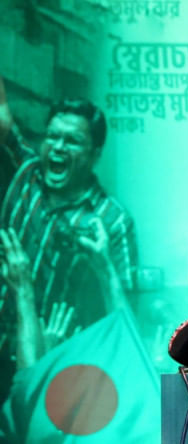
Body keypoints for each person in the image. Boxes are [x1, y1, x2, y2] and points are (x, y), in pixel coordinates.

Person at [0, 97, 138, 400]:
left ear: (95, 154)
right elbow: (2, 114)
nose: (58, 147)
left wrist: (102, 267)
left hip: (53, 365)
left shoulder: (112, 221)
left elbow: (124, 320)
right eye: (52, 136)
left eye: (72, 141)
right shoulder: (26, 172)